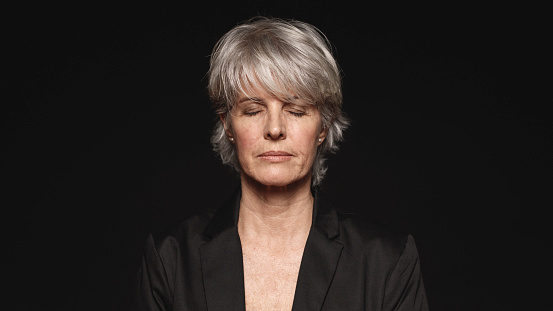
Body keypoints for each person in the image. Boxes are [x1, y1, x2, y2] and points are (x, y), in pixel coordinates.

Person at [135, 17, 429, 310]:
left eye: (296, 111)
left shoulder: (386, 261)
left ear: (323, 127)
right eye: (252, 110)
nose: (274, 129)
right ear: (228, 126)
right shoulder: (171, 259)